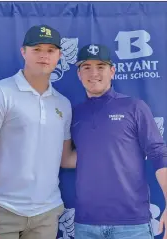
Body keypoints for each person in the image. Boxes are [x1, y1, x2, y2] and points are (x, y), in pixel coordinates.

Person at [0, 24, 73, 239]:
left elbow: (65, 159)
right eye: (36, 49)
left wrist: (113, 153)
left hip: (46, 214)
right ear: (23, 51)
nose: (43, 56)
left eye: (50, 50)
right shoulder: (0, 93)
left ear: (59, 56)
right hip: (2, 210)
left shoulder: (63, 104)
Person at [62, 44, 167, 239]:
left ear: (112, 71)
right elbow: (69, 159)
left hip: (131, 225)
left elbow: (158, 153)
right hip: (86, 225)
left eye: (100, 66)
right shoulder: (75, 113)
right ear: (78, 74)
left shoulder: (134, 107)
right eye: (86, 67)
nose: (93, 73)